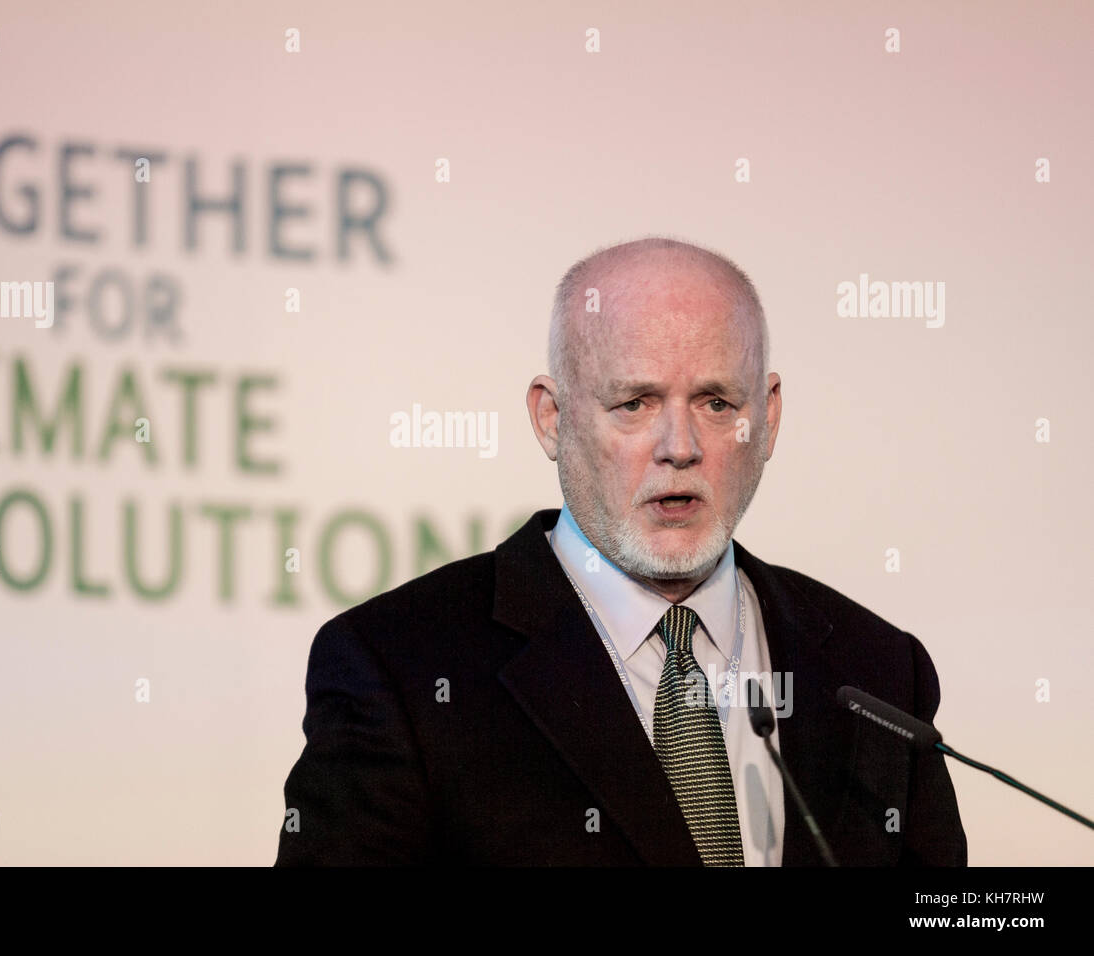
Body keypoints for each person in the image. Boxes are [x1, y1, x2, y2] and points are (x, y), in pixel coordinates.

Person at [275, 236, 968, 866]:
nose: (680, 446)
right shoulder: (400, 667)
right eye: (635, 403)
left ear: (769, 415)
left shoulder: (878, 673)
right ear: (552, 418)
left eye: (717, 403)